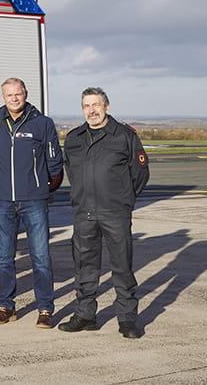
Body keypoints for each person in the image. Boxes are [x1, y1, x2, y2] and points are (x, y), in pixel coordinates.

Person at [58, 87, 150, 339]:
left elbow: (140, 173)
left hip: (115, 214)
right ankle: (85, 314)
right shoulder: (74, 138)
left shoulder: (123, 136)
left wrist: (124, 201)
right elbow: (72, 172)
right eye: (87, 106)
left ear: (106, 106)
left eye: (96, 105)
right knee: (84, 267)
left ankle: (128, 319)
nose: (92, 110)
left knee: (122, 267)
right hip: (84, 214)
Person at [0, 77, 63, 329]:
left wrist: (42, 188)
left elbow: (55, 162)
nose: (14, 99)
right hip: (3, 201)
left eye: (18, 94)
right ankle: (6, 306)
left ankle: (45, 309)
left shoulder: (42, 123)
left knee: (40, 257)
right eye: (9, 95)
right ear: (2, 96)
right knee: (4, 258)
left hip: (34, 201)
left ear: (26, 93)